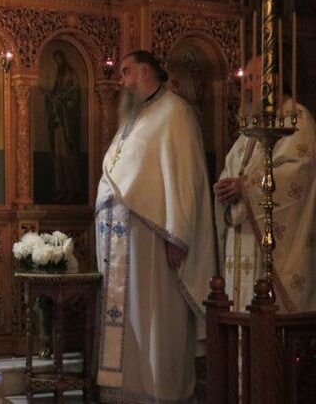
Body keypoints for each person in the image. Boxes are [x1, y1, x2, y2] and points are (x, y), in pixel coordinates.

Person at [95, 50, 216, 402]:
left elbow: (185, 179)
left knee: (154, 318)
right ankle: (124, 390)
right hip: (123, 242)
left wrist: (178, 235)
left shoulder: (174, 112)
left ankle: (161, 392)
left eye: (126, 72)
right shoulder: (136, 116)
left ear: (146, 72)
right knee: (130, 317)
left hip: (155, 243)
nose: (121, 80)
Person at [214, 56, 316, 312]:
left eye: (252, 78)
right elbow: (232, 167)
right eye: (245, 79)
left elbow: (298, 174)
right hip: (242, 236)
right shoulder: (251, 126)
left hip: (270, 243)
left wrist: (246, 187)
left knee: (265, 309)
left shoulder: (296, 118)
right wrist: (224, 188)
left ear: (274, 80)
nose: (246, 86)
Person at [46, 49, 81, 203]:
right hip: (58, 123)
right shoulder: (59, 76)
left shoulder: (70, 74)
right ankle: (61, 189)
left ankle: (72, 190)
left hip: (68, 125)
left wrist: (61, 100)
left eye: (59, 59)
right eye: (56, 60)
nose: (58, 62)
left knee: (68, 158)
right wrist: (52, 98)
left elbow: (74, 97)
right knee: (59, 158)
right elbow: (55, 94)